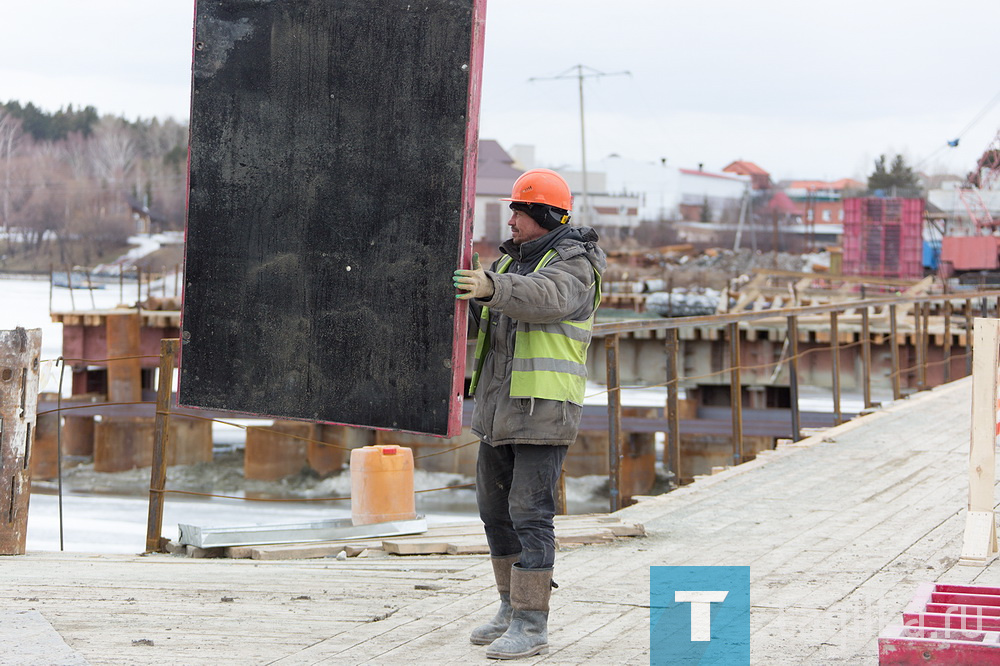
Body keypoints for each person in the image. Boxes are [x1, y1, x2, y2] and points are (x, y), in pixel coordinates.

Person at [453, 168, 606, 660]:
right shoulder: (511, 263)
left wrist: (491, 287)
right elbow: (493, 319)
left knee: (530, 514)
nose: (512, 218)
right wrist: (472, 291)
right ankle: (508, 606)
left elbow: (548, 299)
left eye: (519, 209)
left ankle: (532, 622)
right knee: (495, 512)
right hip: (499, 409)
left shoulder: (575, 263)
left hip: (544, 409)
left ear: (542, 214)